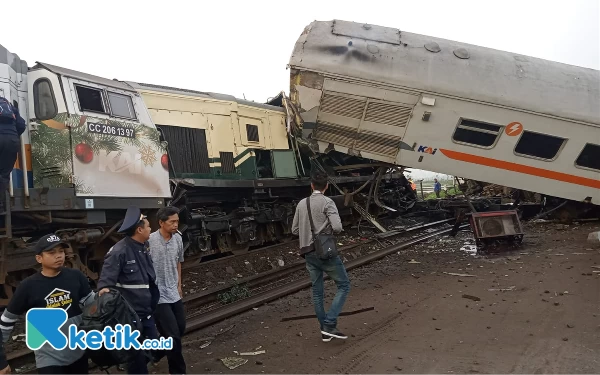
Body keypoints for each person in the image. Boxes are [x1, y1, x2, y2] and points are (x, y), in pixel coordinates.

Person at [0, 234, 96, 375]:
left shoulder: (76, 277)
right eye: (51, 253)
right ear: (39, 258)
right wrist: (1, 361)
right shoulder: (28, 287)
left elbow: (93, 308)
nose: (58, 256)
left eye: (61, 251)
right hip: (49, 359)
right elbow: (5, 324)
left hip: (78, 353)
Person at [97, 206, 159, 375]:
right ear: (139, 229)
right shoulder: (119, 251)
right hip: (130, 317)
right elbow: (105, 283)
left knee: (155, 348)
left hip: (146, 312)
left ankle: (132, 362)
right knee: (137, 359)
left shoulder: (142, 246)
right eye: (148, 226)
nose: (150, 228)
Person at [292, 171, 350, 342]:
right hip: (325, 252)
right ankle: (330, 323)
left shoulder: (302, 203)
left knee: (317, 293)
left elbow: (294, 230)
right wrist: (325, 229)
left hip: (308, 252)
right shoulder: (328, 202)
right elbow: (338, 227)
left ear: (311, 185)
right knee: (344, 285)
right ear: (326, 186)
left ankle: (324, 331)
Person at [148, 206, 186, 375]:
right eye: (172, 222)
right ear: (161, 223)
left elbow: (179, 262)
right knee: (173, 336)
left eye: (177, 221)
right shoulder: (149, 240)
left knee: (181, 328)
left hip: (173, 291)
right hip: (158, 295)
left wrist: (179, 285)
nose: (176, 224)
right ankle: (178, 371)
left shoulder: (178, 238)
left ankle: (153, 353)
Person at [0, 98, 26, 214]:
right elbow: (21, 125)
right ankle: (1, 206)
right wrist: (13, 135)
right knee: (4, 175)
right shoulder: (9, 105)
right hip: (12, 141)